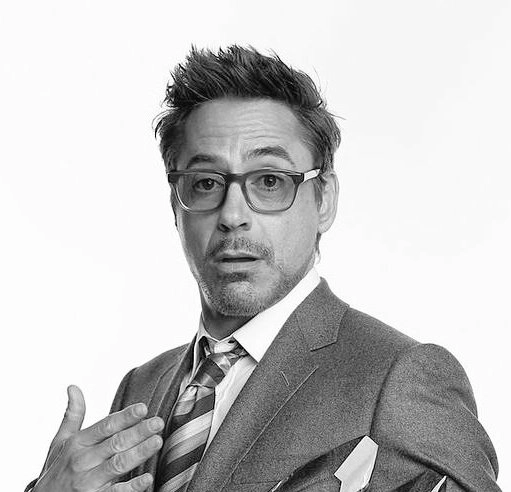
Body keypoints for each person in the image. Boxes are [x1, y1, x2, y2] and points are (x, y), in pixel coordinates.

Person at [28, 46, 500, 492]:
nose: (233, 214)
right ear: (176, 205)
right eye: (206, 182)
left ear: (324, 199)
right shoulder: (142, 387)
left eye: (270, 181)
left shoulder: (399, 378)